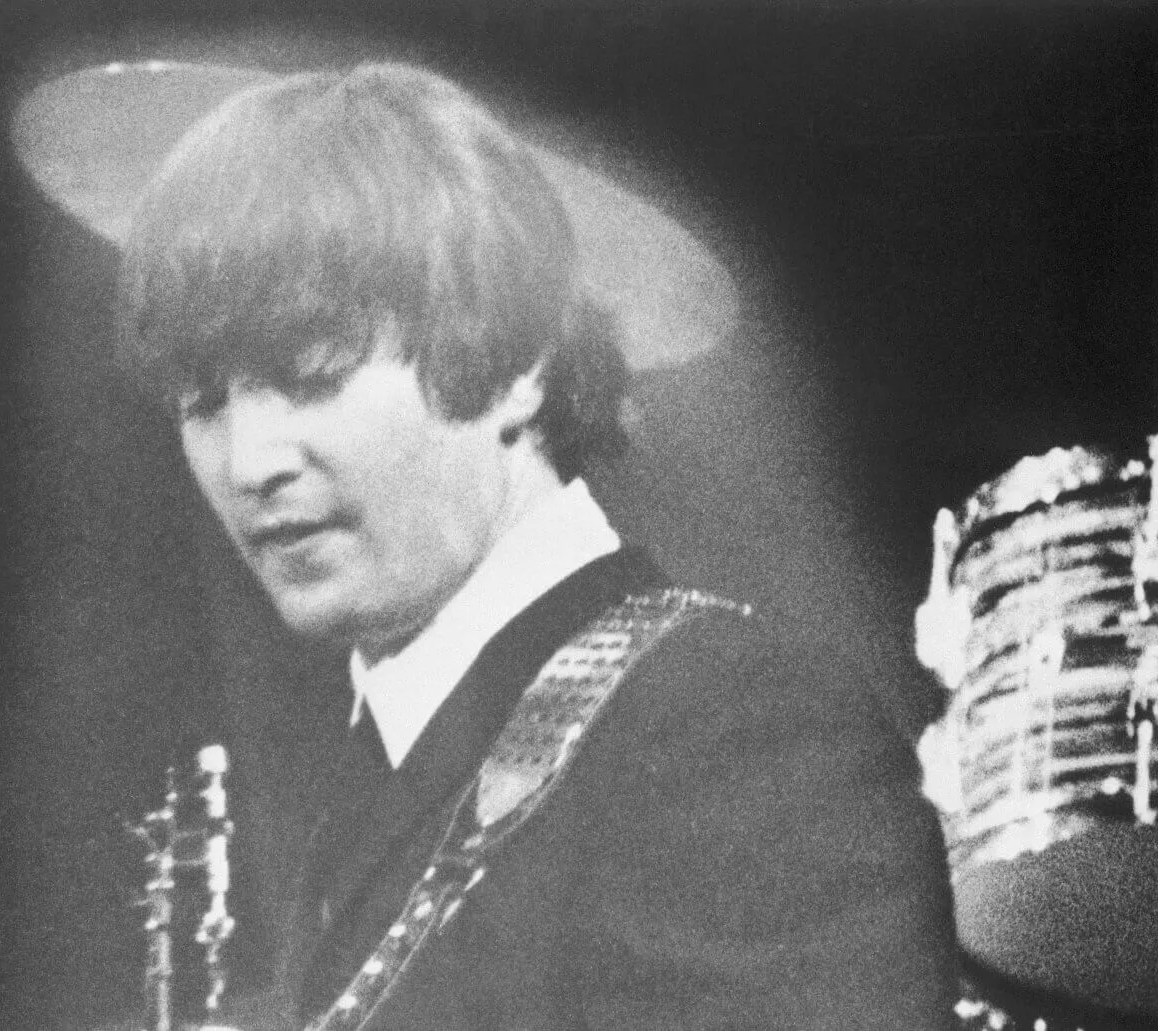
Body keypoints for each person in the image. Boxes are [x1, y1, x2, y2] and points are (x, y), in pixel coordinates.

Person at [114, 61, 959, 1031]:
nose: (249, 462)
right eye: (202, 402)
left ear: (516, 364)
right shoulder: (384, 767)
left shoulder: (735, 727)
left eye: (310, 376)